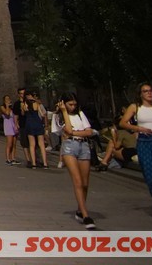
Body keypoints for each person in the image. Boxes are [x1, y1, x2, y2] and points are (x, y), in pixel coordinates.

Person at [119, 83, 152, 223]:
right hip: (144, 143)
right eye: (145, 91)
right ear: (141, 94)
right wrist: (139, 128)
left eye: (151, 91)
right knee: (151, 178)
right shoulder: (135, 107)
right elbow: (123, 123)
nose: (149, 93)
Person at [58, 93, 97, 229]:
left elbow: (89, 132)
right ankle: (86, 215)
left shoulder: (80, 114)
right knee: (78, 181)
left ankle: (80, 210)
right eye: (70, 104)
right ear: (63, 103)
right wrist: (63, 111)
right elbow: (67, 129)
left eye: (75, 104)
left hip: (84, 146)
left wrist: (74, 133)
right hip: (69, 147)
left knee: (85, 184)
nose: (73, 107)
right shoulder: (59, 116)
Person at [22, 90, 48, 169]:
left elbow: (23, 114)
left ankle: (33, 163)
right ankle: (45, 163)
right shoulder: (37, 103)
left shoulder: (24, 104)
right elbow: (42, 114)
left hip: (29, 123)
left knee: (32, 145)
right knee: (41, 144)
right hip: (37, 122)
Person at [0, 94, 20, 165]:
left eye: (9, 98)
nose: (8, 100)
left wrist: (17, 124)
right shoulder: (2, 107)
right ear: (4, 100)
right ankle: (8, 159)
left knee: (14, 144)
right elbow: (7, 114)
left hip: (13, 125)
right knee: (9, 143)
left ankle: (13, 158)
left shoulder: (12, 108)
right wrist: (7, 106)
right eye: (6, 99)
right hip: (8, 126)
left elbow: (15, 116)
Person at [11, 88, 29, 165]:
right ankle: (28, 159)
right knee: (24, 142)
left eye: (24, 93)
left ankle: (35, 158)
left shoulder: (29, 102)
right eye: (21, 93)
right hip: (22, 124)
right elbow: (15, 115)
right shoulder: (17, 104)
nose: (23, 95)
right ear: (19, 94)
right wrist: (16, 124)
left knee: (32, 143)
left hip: (30, 123)